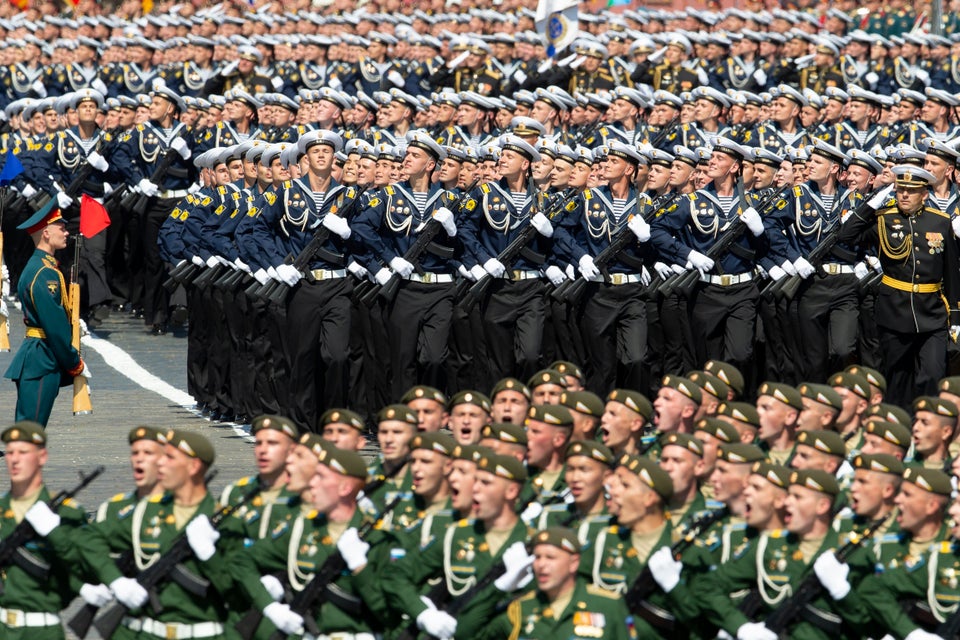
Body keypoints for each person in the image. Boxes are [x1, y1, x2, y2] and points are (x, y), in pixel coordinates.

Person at [839, 166, 960, 406]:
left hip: (932, 313)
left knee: (932, 374)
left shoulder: (940, 221)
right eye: (900, 189)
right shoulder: (883, 218)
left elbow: (951, 272)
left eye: (911, 191)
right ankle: (899, 425)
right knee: (897, 377)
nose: (904, 195)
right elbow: (845, 236)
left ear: (924, 194)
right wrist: (870, 206)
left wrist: (956, 317)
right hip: (894, 311)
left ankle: (927, 423)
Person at [0, 421, 92, 639]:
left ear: (42, 456)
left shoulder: (67, 514)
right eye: (10, 452)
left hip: (43, 629)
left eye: (23, 452)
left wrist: (55, 533)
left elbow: (85, 566)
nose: (15, 459)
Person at [4, 199, 89, 426]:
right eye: (60, 227)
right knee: (30, 434)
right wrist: (74, 361)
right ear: (46, 233)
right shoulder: (44, 273)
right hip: (42, 359)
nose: (66, 231)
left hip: (41, 357)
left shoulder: (44, 267)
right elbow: (54, 325)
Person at [479, 527, 632, 640]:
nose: (541, 565)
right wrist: (499, 588)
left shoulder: (608, 606)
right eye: (537, 557)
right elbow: (466, 633)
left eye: (550, 557)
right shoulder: (521, 609)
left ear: (574, 563)